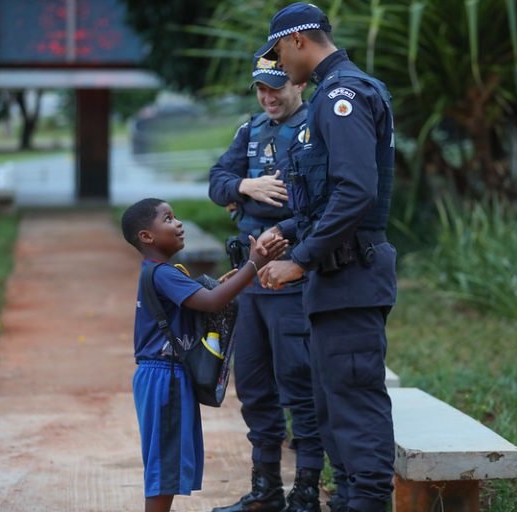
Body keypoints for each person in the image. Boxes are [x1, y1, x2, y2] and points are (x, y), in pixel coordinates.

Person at [253, 4, 398, 512]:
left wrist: (302, 258)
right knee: (333, 408)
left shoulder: (342, 96)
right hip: (335, 281)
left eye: (277, 53)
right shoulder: (327, 97)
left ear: (297, 42)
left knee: (354, 406)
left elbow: (356, 193)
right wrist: (286, 232)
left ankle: (366, 504)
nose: (278, 66)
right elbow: (325, 198)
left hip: (349, 276)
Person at [208, 57, 323, 512]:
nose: (268, 97)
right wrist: (246, 186)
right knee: (253, 384)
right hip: (249, 279)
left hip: (293, 275)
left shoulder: (319, 126)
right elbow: (217, 184)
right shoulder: (250, 129)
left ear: (297, 82)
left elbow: (328, 202)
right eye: (260, 89)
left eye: (275, 88)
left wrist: (287, 228)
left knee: (299, 382)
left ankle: (308, 490)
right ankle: (266, 489)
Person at [120, 198, 287, 512]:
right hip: (163, 376)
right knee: (164, 465)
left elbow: (206, 299)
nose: (178, 223)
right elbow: (211, 302)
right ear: (147, 237)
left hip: (162, 375)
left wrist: (240, 274)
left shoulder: (161, 272)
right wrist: (254, 264)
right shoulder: (163, 274)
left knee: (166, 460)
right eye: (168, 218)